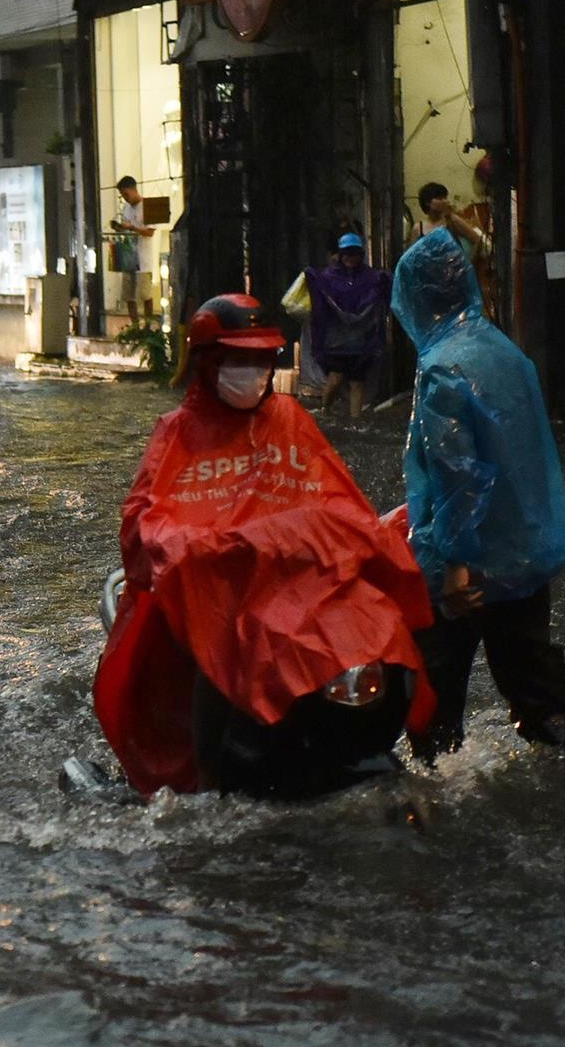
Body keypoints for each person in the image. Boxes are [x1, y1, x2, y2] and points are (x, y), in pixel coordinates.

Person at [95, 293, 435, 796]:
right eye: (239, 360)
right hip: (222, 596)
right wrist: (183, 545)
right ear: (208, 362)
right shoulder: (177, 433)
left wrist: (357, 534)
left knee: (381, 623)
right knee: (215, 653)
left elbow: (339, 499)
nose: (252, 371)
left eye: (261, 360)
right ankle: (211, 780)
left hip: (300, 587)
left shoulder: (290, 420)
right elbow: (143, 520)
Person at [392, 231, 565, 770]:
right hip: (523, 553)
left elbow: (457, 471)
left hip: (467, 565)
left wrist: (455, 562)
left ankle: (434, 792)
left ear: (416, 299)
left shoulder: (441, 366)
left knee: (436, 691)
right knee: (534, 686)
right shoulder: (507, 353)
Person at [303, 232, 393, 420]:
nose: (350, 258)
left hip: (361, 341)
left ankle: (355, 422)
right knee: (335, 378)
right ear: (341, 255)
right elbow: (321, 295)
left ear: (361, 255)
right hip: (337, 341)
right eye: (347, 253)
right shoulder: (330, 276)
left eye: (354, 253)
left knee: (357, 382)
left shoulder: (370, 277)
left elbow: (379, 290)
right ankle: (325, 410)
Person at [109, 177, 157, 328]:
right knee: (129, 295)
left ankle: (148, 326)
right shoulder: (126, 208)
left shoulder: (147, 206)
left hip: (143, 259)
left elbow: (150, 232)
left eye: (126, 194)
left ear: (133, 189)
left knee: (145, 295)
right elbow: (126, 228)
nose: (125, 198)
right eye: (123, 195)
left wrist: (132, 228)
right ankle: (135, 326)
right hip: (129, 257)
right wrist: (119, 227)